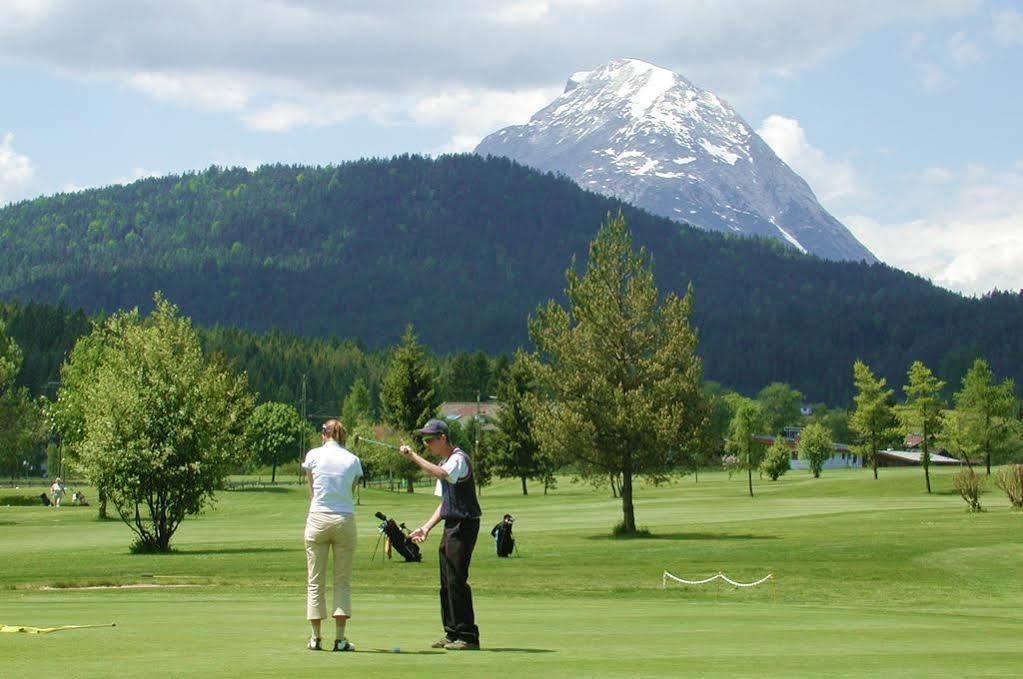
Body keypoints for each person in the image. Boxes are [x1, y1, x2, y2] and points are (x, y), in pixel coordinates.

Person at [400, 419, 482, 651]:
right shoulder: (445, 462)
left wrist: (413, 456)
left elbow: (440, 473)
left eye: (430, 439)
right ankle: (452, 632)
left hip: (465, 524)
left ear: (443, 438)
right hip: (451, 524)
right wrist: (426, 527)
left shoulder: (458, 459)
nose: (427, 444)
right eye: (424, 440)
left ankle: (467, 635)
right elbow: (446, 504)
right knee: (446, 580)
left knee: (457, 579)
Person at [302, 419, 363, 652]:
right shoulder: (353, 460)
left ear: (323, 435)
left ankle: (316, 638)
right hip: (344, 519)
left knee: (315, 580)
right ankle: (340, 639)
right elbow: (351, 490)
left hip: (318, 517)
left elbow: (312, 489)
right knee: (342, 582)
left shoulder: (313, 455)